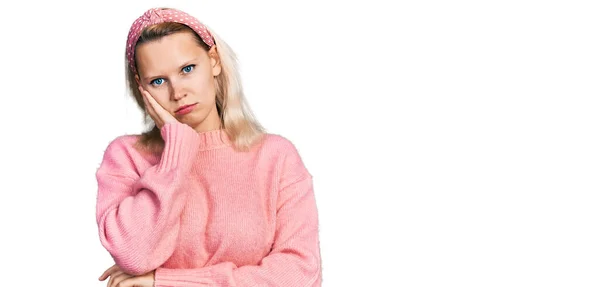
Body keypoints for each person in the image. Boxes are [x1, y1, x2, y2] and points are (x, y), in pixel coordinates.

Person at [94, 7, 322, 287]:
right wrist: (177, 150)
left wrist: (165, 281)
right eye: (158, 81)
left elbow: (300, 274)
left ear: (213, 61)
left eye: (187, 69)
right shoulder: (126, 157)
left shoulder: (276, 157)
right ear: (142, 88)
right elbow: (136, 256)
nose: (177, 93)